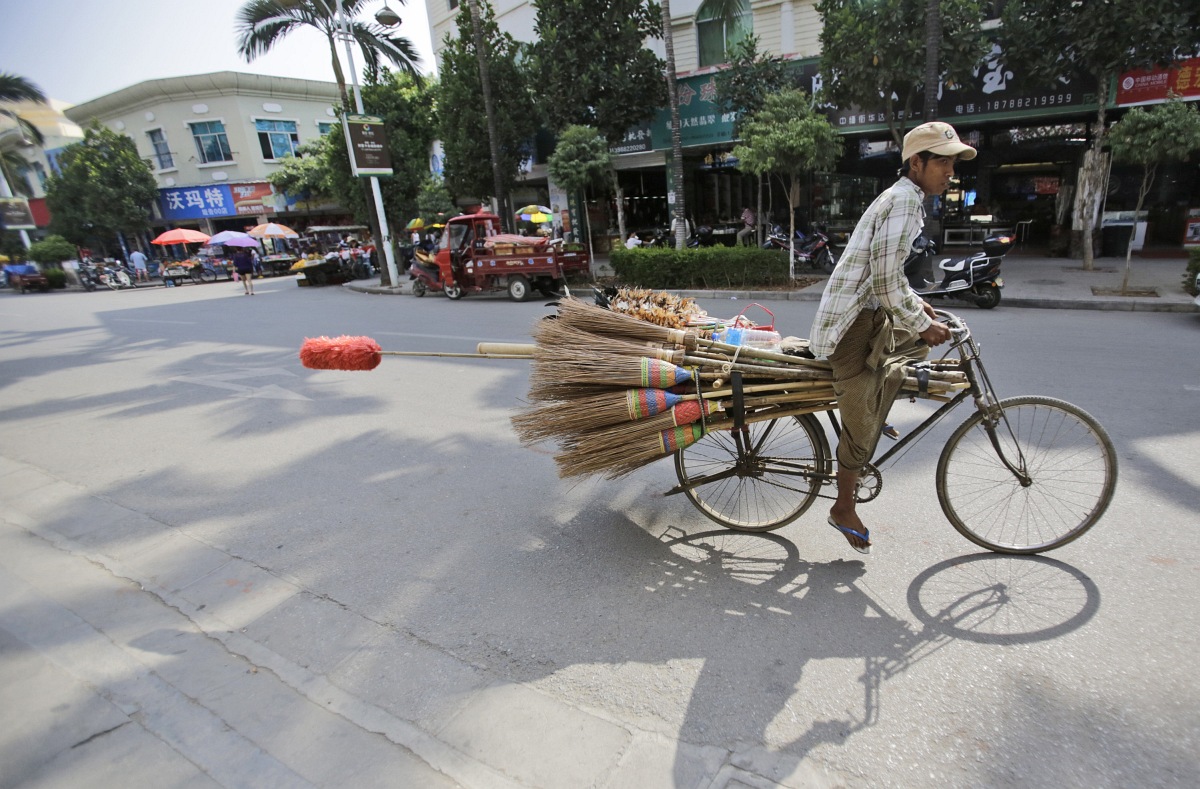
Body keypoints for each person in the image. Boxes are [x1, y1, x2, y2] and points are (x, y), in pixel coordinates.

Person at [809, 121, 972, 555]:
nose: (950, 171)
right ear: (916, 163)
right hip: (850, 327)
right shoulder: (902, 202)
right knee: (862, 426)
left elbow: (890, 275)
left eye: (953, 163)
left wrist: (918, 306)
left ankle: (877, 395)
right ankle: (842, 507)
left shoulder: (906, 199)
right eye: (943, 162)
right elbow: (883, 281)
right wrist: (920, 321)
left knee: (918, 345)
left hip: (868, 314)